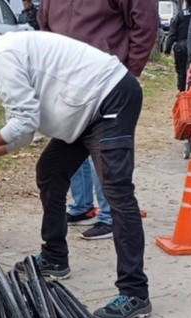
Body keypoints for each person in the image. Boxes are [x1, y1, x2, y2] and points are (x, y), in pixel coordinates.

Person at [0, 22, 151, 318]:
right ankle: (55, 258)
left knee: (117, 191)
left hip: (110, 100)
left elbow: (22, 124)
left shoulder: (1, 56)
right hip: (84, 114)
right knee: (50, 170)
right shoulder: (11, 52)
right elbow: (22, 135)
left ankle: (135, 293)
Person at [37, 0, 158, 241]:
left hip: (107, 89)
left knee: (109, 170)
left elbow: (145, 23)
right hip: (68, 91)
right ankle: (79, 211)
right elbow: (45, 29)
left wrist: (128, 72)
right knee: (54, 167)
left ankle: (109, 217)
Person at [165, 0, 191, 91]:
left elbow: (172, 33)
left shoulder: (180, 15)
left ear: (186, 2)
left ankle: (182, 92)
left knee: (181, 71)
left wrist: (167, 49)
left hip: (181, 46)